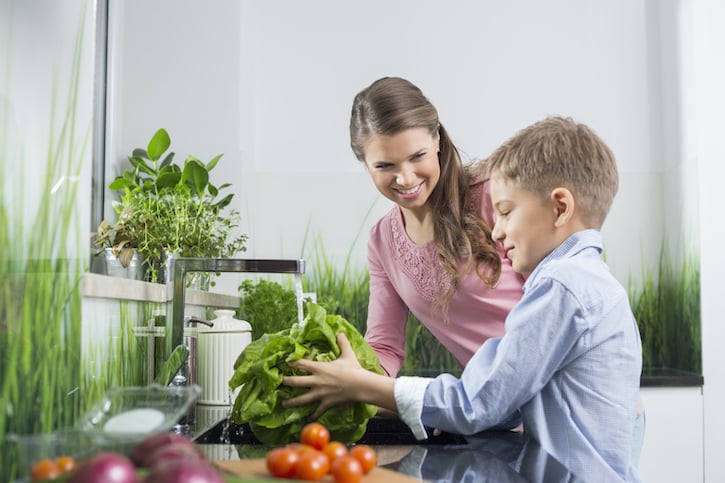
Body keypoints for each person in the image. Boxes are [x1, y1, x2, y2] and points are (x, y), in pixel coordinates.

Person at [284, 116, 643, 481]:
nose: (497, 230)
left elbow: (480, 401)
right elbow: (505, 395)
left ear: (561, 208)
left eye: (504, 212)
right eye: (385, 164)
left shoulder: (561, 286)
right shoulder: (585, 279)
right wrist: (432, 407)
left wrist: (366, 387)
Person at [348, 76, 524, 378]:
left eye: (417, 157)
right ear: (365, 164)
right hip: (491, 413)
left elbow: (559, 300)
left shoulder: (494, 197)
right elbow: (384, 347)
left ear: (437, 140)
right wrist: (350, 380)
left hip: (564, 402)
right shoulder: (381, 241)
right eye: (384, 166)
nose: (405, 178)